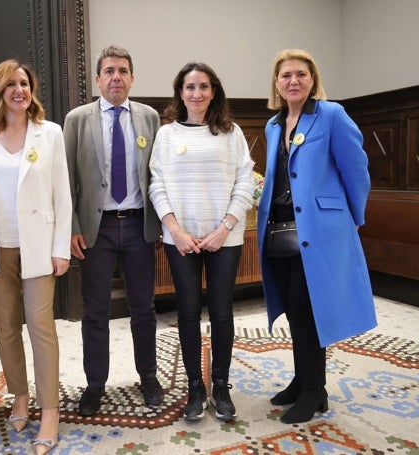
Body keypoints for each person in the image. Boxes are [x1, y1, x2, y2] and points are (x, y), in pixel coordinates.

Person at [257, 49, 377, 424]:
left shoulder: (331, 115)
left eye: (301, 75)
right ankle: (303, 380)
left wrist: (354, 217)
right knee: (295, 311)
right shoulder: (274, 124)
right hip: (279, 232)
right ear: (276, 83)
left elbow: (357, 169)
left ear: (313, 80)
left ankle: (314, 392)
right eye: (286, 75)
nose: (293, 81)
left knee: (309, 312)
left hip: (319, 233)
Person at [0, 59, 71, 455]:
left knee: (40, 325)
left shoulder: (50, 133)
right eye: (11, 84)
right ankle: (20, 396)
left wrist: (61, 248)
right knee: (6, 325)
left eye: (24, 83)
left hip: (39, 244)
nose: (19, 90)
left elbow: (63, 192)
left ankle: (49, 409)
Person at [148, 63, 254, 422]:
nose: (196, 93)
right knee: (189, 311)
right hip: (181, 239)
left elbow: (246, 183)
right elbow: (156, 184)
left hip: (225, 237)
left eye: (203, 86)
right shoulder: (166, 135)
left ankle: (220, 385)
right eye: (190, 87)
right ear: (180, 92)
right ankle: (196, 386)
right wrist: (174, 229)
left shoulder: (232, 132)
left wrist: (225, 227)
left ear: (214, 92)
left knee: (222, 311)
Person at [63, 45, 164, 416]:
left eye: (123, 71)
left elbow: (158, 173)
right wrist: (73, 227)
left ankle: (148, 375)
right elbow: (67, 179)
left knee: (144, 307)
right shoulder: (77, 119)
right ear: (98, 78)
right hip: (96, 229)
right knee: (95, 310)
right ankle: (95, 383)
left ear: (132, 78)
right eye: (108, 71)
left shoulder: (150, 118)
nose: (116, 77)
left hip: (139, 226)